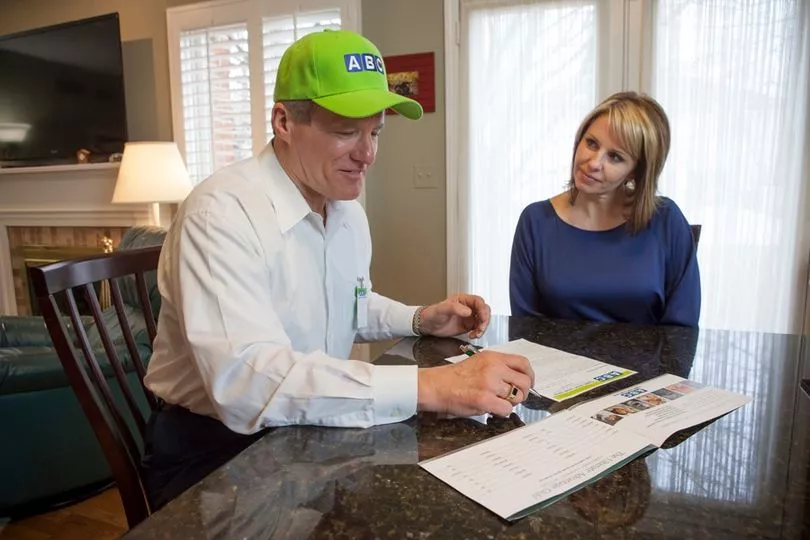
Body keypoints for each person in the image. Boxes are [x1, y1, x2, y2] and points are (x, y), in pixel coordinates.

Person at [141, 29, 534, 510]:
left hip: (306, 422)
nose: (366, 154)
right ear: (283, 121)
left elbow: (346, 300)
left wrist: (418, 318)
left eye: (374, 133)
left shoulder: (345, 211)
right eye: (347, 131)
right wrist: (434, 385)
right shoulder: (220, 213)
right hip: (214, 452)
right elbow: (245, 382)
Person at [509, 92, 700, 327]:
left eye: (615, 157)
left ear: (635, 171)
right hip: (554, 363)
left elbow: (681, 332)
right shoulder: (535, 221)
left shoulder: (666, 220)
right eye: (591, 143)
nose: (594, 163)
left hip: (643, 364)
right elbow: (526, 327)